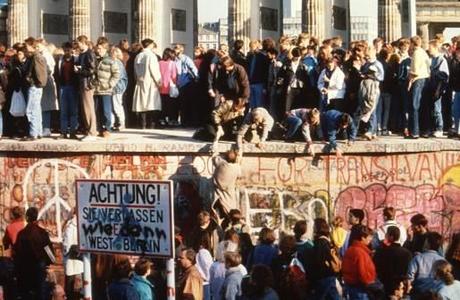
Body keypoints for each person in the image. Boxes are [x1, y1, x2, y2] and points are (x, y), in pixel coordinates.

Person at [14, 207, 54, 300]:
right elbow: (49, 252)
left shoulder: (22, 234)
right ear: (36, 217)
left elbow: (17, 252)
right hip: (39, 268)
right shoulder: (42, 233)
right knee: (40, 294)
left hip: (25, 270)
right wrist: (50, 261)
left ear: (27, 218)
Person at [342, 224, 380, 300]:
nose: (371, 239)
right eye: (369, 237)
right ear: (362, 238)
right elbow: (363, 273)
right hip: (360, 289)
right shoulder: (361, 253)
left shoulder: (351, 249)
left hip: (351, 285)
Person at [373, 226, 412, 296]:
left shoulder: (382, 252)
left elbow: (376, 267)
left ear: (391, 236)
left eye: (386, 234)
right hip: (401, 287)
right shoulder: (407, 253)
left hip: (385, 286)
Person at [93, 40, 120, 138]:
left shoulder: (110, 60)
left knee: (106, 110)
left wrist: (110, 84)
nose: (98, 50)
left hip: (106, 89)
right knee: (96, 110)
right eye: (97, 48)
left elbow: (116, 74)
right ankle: (98, 128)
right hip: (96, 89)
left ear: (105, 49)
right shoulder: (95, 59)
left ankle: (107, 128)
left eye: (100, 48)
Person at [133, 39, 162, 129]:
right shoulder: (151, 56)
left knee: (142, 104)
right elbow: (154, 70)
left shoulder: (138, 56)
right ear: (150, 45)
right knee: (151, 103)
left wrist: (137, 79)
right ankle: (151, 124)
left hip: (140, 82)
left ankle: (142, 124)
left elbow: (135, 70)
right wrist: (159, 81)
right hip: (150, 82)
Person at [423, 40, 450, 138]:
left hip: (437, 88)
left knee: (437, 109)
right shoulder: (432, 59)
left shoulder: (441, 60)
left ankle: (439, 128)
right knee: (431, 109)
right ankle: (433, 127)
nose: (429, 50)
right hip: (431, 87)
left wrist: (440, 89)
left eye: (430, 48)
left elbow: (445, 76)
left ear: (435, 48)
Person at [309, 218, 341, 299]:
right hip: (329, 273)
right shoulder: (327, 240)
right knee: (333, 296)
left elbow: (319, 261)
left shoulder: (320, 242)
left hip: (323, 275)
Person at [23, 37, 48, 141]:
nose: (25, 48)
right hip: (37, 86)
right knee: (36, 109)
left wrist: (30, 80)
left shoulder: (35, 57)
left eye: (26, 45)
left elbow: (38, 73)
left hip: (34, 86)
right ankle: (38, 132)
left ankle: (33, 133)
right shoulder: (37, 56)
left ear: (31, 46)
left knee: (31, 110)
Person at [407, 35, 431, 139]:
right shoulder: (423, 52)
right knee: (423, 106)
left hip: (417, 81)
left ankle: (414, 131)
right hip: (425, 79)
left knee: (414, 106)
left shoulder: (416, 53)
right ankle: (424, 130)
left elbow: (415, 71)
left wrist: (409, 79)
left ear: (412, 43)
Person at [75, 35, 98, 141]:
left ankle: (92, 131)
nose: (77, 45)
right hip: (82, 82)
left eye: (78, 43)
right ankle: (89, 129)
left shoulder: (89, 54)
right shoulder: (82, 54)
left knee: (88, 107)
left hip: (87, 83)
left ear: (83, 43)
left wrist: (80, 70)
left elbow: (92, 70)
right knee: (85, 107)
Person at [55, 42, 79, 139]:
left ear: (72, 50)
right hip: (63, 87)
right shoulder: (61, 60)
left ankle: (73, 131)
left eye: (68, 50)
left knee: (73, 111)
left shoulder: (76, 60)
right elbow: (57, 73)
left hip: (73, 87)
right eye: (65, 50)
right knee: (63, 111)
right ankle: (63, 132)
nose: (66, 52)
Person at [211, 150, 242, 223]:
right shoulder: (237, 168)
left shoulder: (221, 163)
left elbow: (214, 155)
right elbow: (239, 175)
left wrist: (216, 140)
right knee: (230, 211)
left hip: (217, 192)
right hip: (229, 193)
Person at [276, 47, 309, 112]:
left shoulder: (303, 65)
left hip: (300, 88)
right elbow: (280, 76)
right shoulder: (286, 65)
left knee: (299, 106)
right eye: (297, 56)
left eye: (299, 56)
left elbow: (306, 78)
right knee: (287, 107)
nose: (298, 58)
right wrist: (279, 87)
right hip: (289, 88)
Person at [174, 44, 199, 126]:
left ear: (181, 50)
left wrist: (197, 78)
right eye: (175, 48)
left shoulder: (186, 58)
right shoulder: (174, 59)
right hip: (177, 80)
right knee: (180, 102)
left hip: (185, 80)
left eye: (177, 48)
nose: (175, 50)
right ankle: (183, 120)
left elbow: (193, 68)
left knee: (186, 101)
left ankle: (187, 120)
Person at [62, 211, 84, 300]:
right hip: (80, 258)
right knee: (81, 280)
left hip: (71, 258)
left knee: (70, 283)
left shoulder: (70, 226)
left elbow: (67, 244)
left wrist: (65, 251)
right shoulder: (82, 224)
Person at [246, 40, 269, 109]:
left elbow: (265, 72)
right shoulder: (249, 57)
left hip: (259, 83)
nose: (251, 49)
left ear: (257, 47)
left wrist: (265, 86)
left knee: (259, 104)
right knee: (252, 104)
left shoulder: (263, 57)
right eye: (250, 47)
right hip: (250, 82)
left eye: (252, 47)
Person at [158, 48, 178, 127]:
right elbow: (174, 76)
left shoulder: (159, 63)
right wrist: (176, 84)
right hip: (169, 87)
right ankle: (170, 120)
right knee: (170, 105)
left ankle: (162, 119)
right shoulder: (172, 63)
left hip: (160, 86)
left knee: (162, 104)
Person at [111, 46, 128, 131]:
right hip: (117, 87)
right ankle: (117, 122)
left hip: (117, 87)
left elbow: (117, 76)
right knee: (115, 105)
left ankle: (121, 123)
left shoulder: (116, 63)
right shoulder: (118, 62)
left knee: (117, 105)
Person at [449, 41, 460, 138]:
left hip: (457, 87)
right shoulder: (454, 60)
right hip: (457, 88)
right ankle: (457, 130)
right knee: (455, 111)